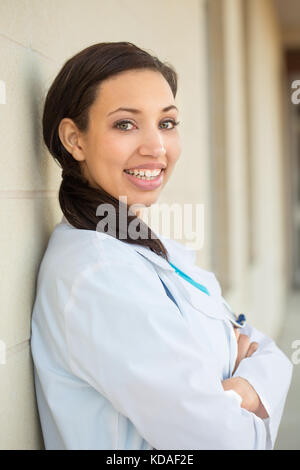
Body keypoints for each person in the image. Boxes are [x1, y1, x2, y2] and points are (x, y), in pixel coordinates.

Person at [30, 41, 293, 450]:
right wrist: (246, 386)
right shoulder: (100, 277)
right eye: (125, 124)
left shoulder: (142, 248)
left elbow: (272, 353)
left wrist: (241, 388)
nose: (156, 148)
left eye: (167, 123)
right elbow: (228, 443)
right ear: (74, 139)